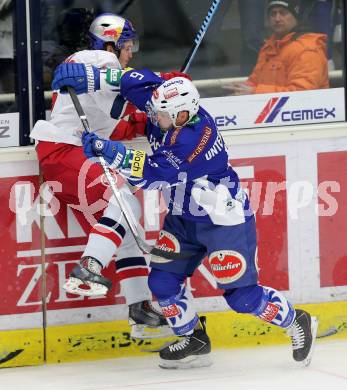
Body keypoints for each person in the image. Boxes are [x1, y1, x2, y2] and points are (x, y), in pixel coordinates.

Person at [51, 63, 319, 369]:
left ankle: (297, 320)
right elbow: (142, 81)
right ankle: (193, 339)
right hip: (182, 220)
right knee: (163, 282)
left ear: (181, 116)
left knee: (242, 297)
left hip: (221, 222)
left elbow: (152, 176)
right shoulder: (169, 107)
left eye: (161, 116)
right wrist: (94, 77)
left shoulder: (193, 140)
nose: (154, 118)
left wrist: (109, 150)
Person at [30, 13, 179, 339]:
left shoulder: (98, 67)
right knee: (125, 201)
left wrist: (141, 122)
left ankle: (140, 308)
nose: (130, 54)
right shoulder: (96, 58)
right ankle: (88, 268)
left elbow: (109, 120)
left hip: (69, 155)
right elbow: (118, 82)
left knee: (126, 227)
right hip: (65, 152)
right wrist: (165, 81)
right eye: (128, 46)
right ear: (112, 41)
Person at [224, 0, 329, 95]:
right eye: (273, 14)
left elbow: (302, 94)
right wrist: (239, 89)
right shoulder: (268, 47)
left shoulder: (308, 49)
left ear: (296, 16)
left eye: (283, 13)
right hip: (271, 111)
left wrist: (254, 92)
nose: (277, 19)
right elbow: (254, 82)